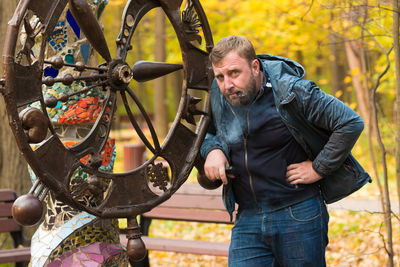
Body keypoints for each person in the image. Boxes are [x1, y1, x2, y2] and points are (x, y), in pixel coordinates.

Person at [200, 35, 371, 266]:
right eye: (220, 76)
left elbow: (349, 122)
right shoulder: (220, 96)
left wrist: (319, 168)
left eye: (234, 73)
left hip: (298, 214)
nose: (227, 84)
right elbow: (207, 133)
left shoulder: (292, 90)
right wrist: (213, 150)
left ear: (254, 66)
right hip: (247, 217)